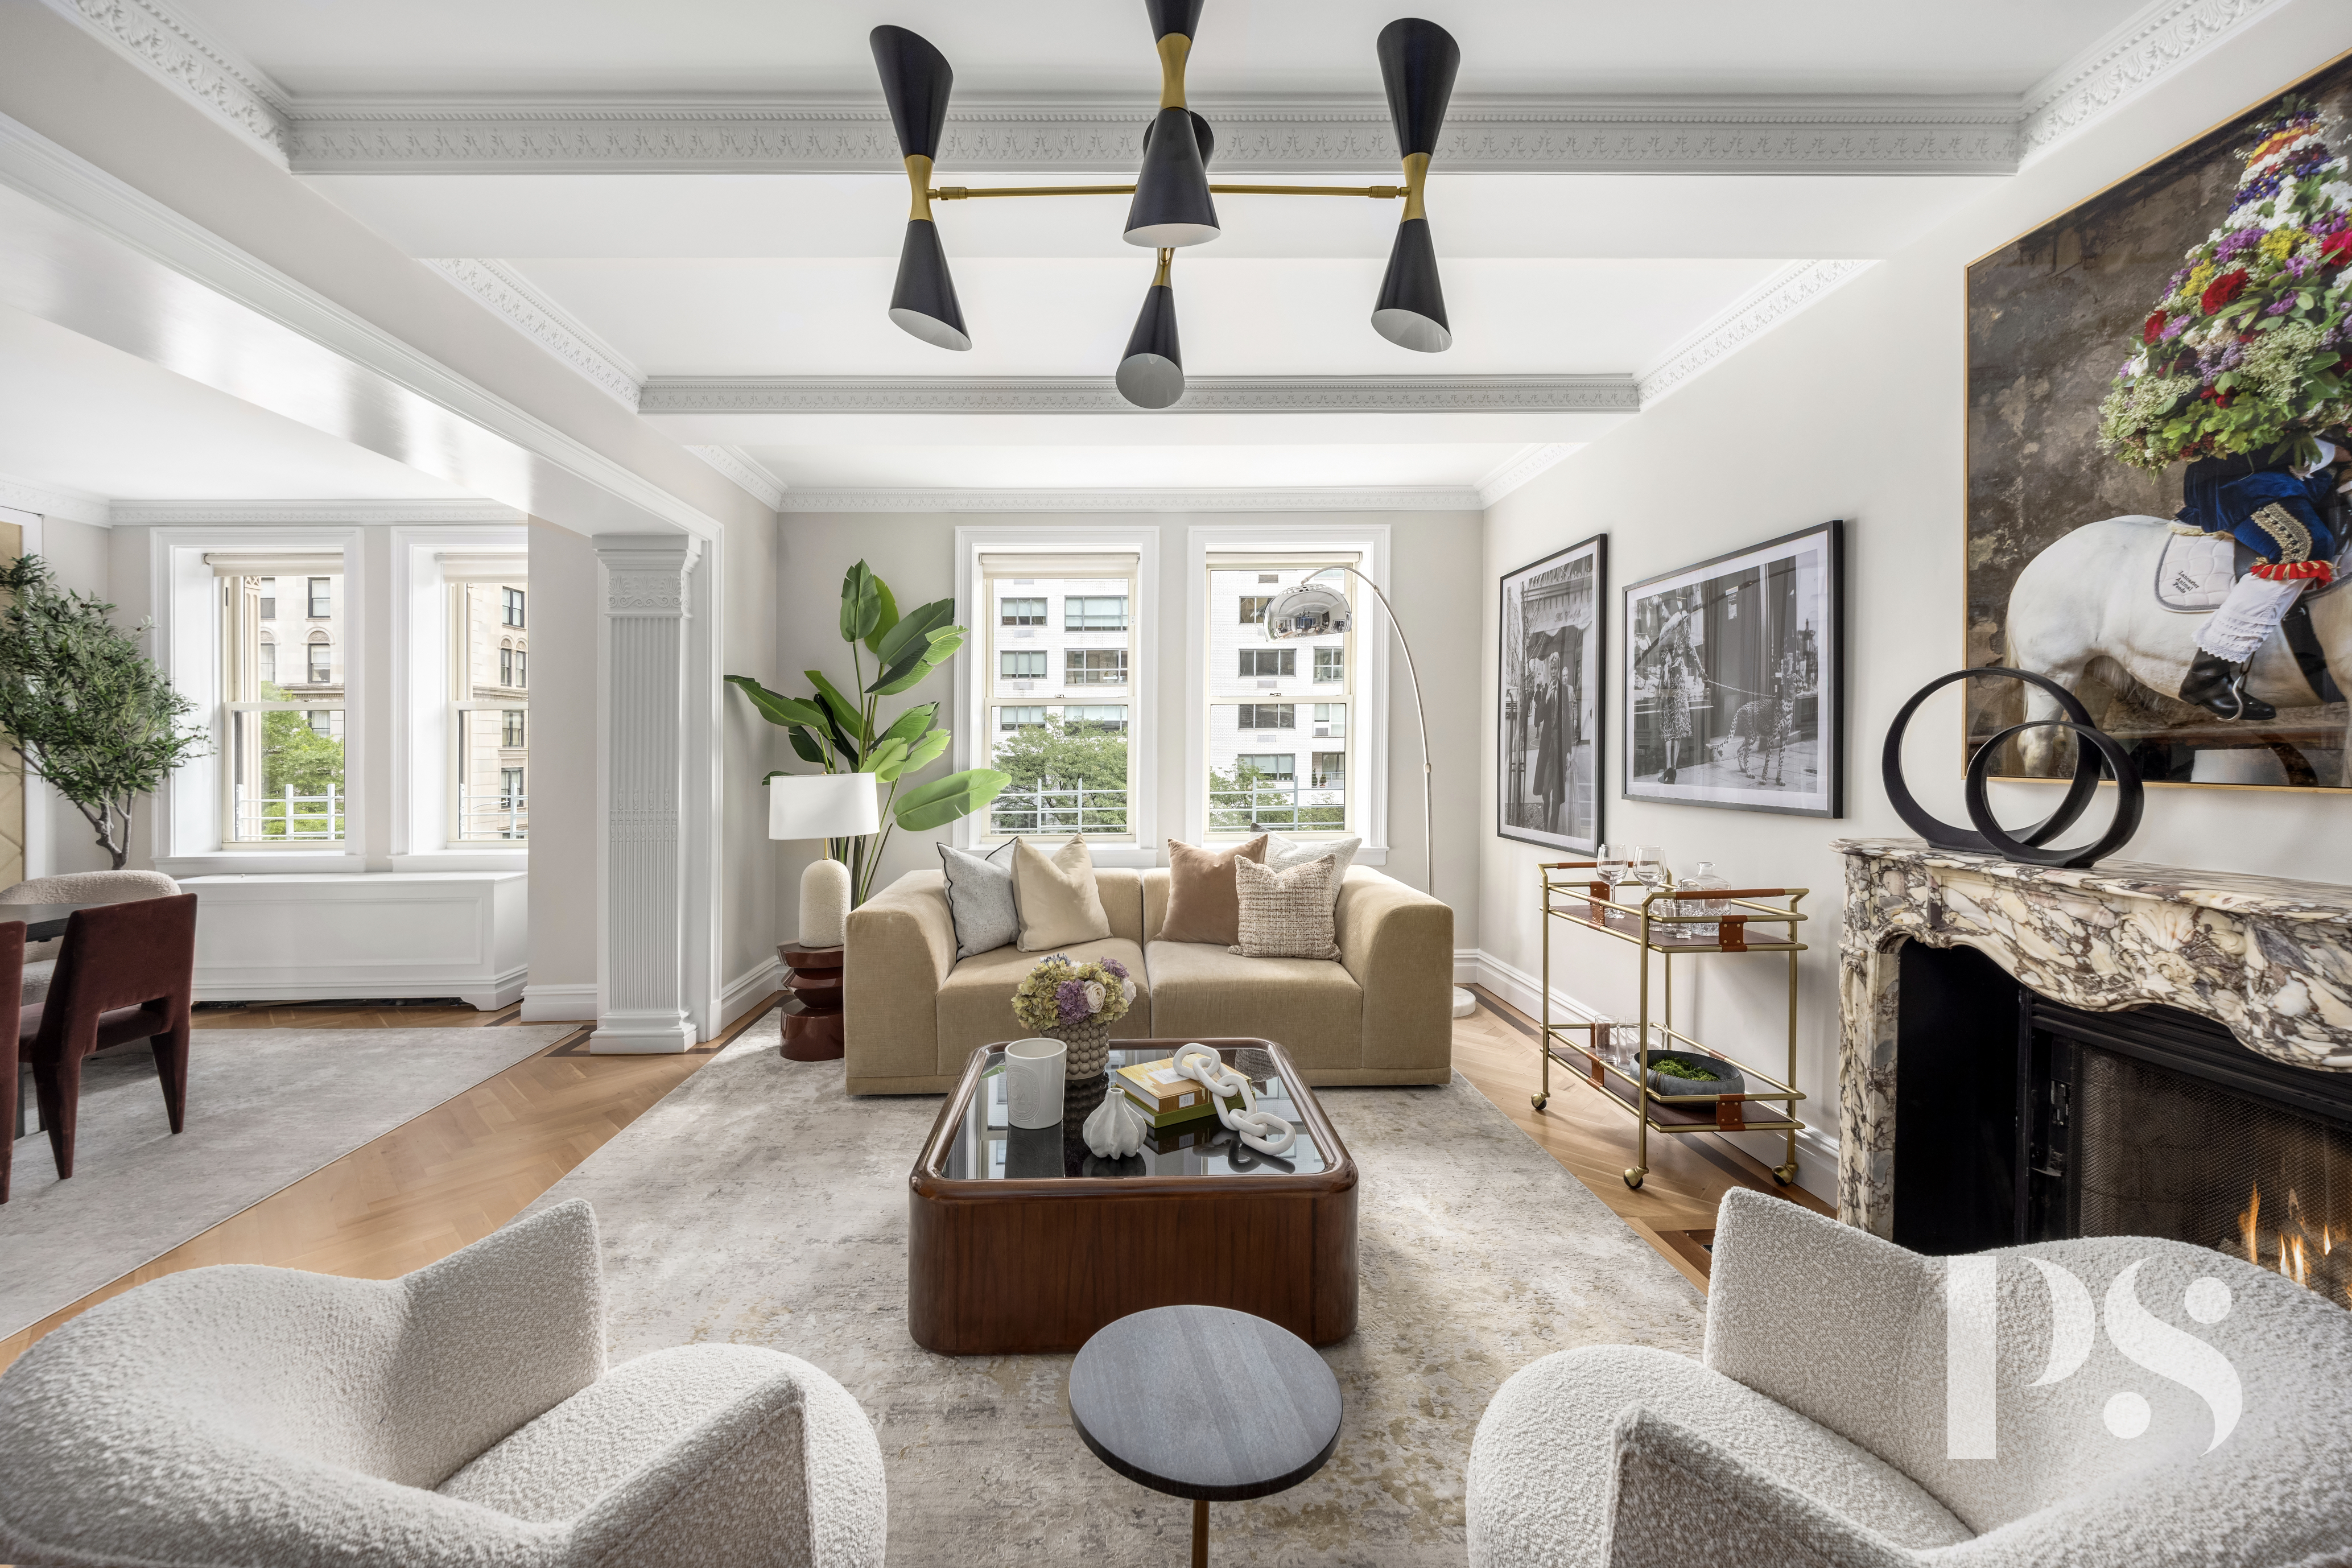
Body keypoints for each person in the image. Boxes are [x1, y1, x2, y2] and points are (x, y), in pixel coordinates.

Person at [2174, 434, 2351, 719]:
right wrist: (2331, 451)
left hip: (2306, 476)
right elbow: (2246, 433)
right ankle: (2206, 675)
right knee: (2304, 545)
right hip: (2241, 477)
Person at [1533, 651, 1565, 832]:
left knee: (1557, 795)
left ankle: (1552, 830)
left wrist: (1567, 751)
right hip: (1547, 748)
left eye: (1556, 668)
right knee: (1546, 791)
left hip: (1559, 749)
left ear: (1559, 669)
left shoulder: (1564, 689)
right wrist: (1545, 699)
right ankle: (1546, 823)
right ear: (1549, 669)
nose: (1554, 671)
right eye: (1551, 668)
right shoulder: (1546, 690)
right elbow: (1538, 720)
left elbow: (1567, 722)